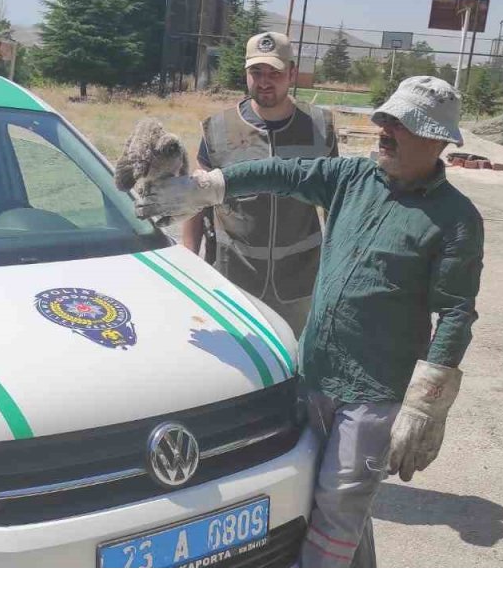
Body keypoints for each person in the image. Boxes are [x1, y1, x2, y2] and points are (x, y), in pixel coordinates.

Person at [134, 75, 484, 568]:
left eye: (399, 124)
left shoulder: (456, 219)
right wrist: (208, 187)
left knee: (339, 509)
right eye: (383, 118)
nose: (383, 129)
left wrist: (425, 406)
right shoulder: (351, 179)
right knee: (305, 499)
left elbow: (454, 312)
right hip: (314, 373)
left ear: (436, 139)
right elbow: (283, 172)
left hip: (374, 391)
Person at [182, 31, 337, 334]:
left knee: (293, 362)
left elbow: (335, 200)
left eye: (275, 73)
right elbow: (197, 199)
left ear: (292, 73)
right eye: (257, 72)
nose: (265, 81)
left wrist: (337, 265)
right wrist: (189, 257)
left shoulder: (320, 127)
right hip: (232, 278)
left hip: (299, 282)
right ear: (246, 74)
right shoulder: (217, 128)